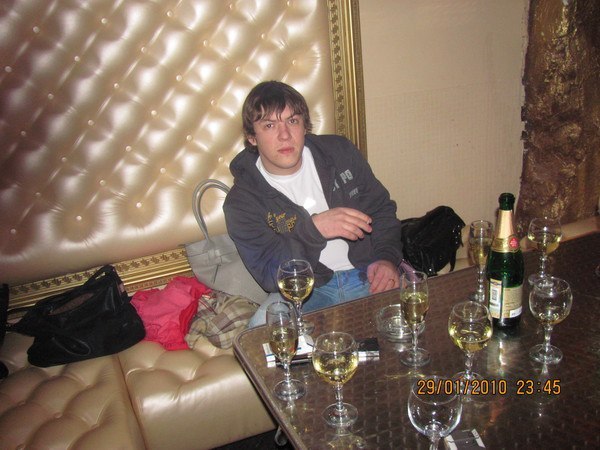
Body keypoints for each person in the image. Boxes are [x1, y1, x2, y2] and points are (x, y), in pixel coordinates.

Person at [223, 81, 403, 327]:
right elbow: (269, 274)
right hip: (307, 291)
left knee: (422, 320)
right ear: (252, 137)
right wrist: (314, 231)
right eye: (269, 125)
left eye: (292, 121)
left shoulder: (339, 153)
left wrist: (386, 259)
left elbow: (381, 210)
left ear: (304, 126)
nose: (285, 135)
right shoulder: (242, 202)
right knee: (260, 332)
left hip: (368, 273)